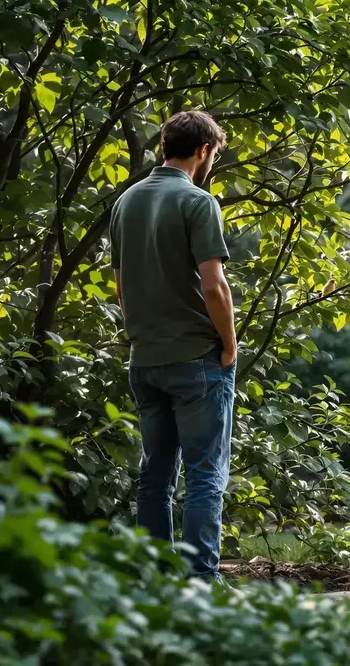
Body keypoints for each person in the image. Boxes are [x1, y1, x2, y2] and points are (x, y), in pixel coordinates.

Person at [109, 110, 236, 581]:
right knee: (204, 477)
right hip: (196, 360)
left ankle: (154, 580)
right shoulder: (198, 202)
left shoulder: (125, 203)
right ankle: (201, 582)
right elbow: (214, 286)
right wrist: (230, 344)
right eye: (213, 154)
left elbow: (122, 290)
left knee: (154, 477)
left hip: (144, 360)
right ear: (203, 150)